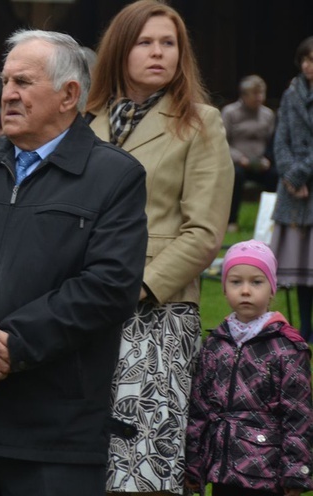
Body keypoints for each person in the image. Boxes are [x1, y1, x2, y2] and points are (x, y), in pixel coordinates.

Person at [0, 29, 148, 495]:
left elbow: (109, 285)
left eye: (23, 82)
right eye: (5, 81)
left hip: (55, 429)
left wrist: (6, 349)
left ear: (69, 95)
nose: (8, 94)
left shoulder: (114, 176)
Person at [84, 1, 234, 493]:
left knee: (141, 461)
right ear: (120, 51)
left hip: (155, 310)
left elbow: (204, 232)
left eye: (168, 43)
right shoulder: (84, 122)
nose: (158, 53)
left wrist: (136, 289)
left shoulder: (199, 122)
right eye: (145, 42)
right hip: (75, 306)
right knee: (76, 452)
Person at [185, 240, 313, 496]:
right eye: (235, 282)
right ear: (224, 289)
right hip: (220, 469)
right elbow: (200, 408)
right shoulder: (215, 343)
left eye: (256, 282)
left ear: (272, 288)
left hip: (267, 471)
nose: (245, 290)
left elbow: (298, 416)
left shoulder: (286, 348)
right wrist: (193, 464)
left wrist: (295, 473)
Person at [271, 36, 313, 342]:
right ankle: (304, 328)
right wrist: (289, 176)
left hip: (305, 184)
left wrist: (299, 175)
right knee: (301, 268)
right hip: (294, 193)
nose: (309, 65)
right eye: (305, 59)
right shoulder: (291, 94)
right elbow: (280, 138)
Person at [223, 75, 277, 232]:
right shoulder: (230, 112)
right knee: (236, 175)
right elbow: (222, 142)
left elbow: (272, 142)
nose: (259, 98)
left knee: (275, 176)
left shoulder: (268, 114)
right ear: (244, 95)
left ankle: (268, 222)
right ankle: (231, 220)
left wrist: (268, 159)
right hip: (237, 163)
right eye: (255, 94)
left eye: (262, 93)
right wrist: (240, 158)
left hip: (260, 163)